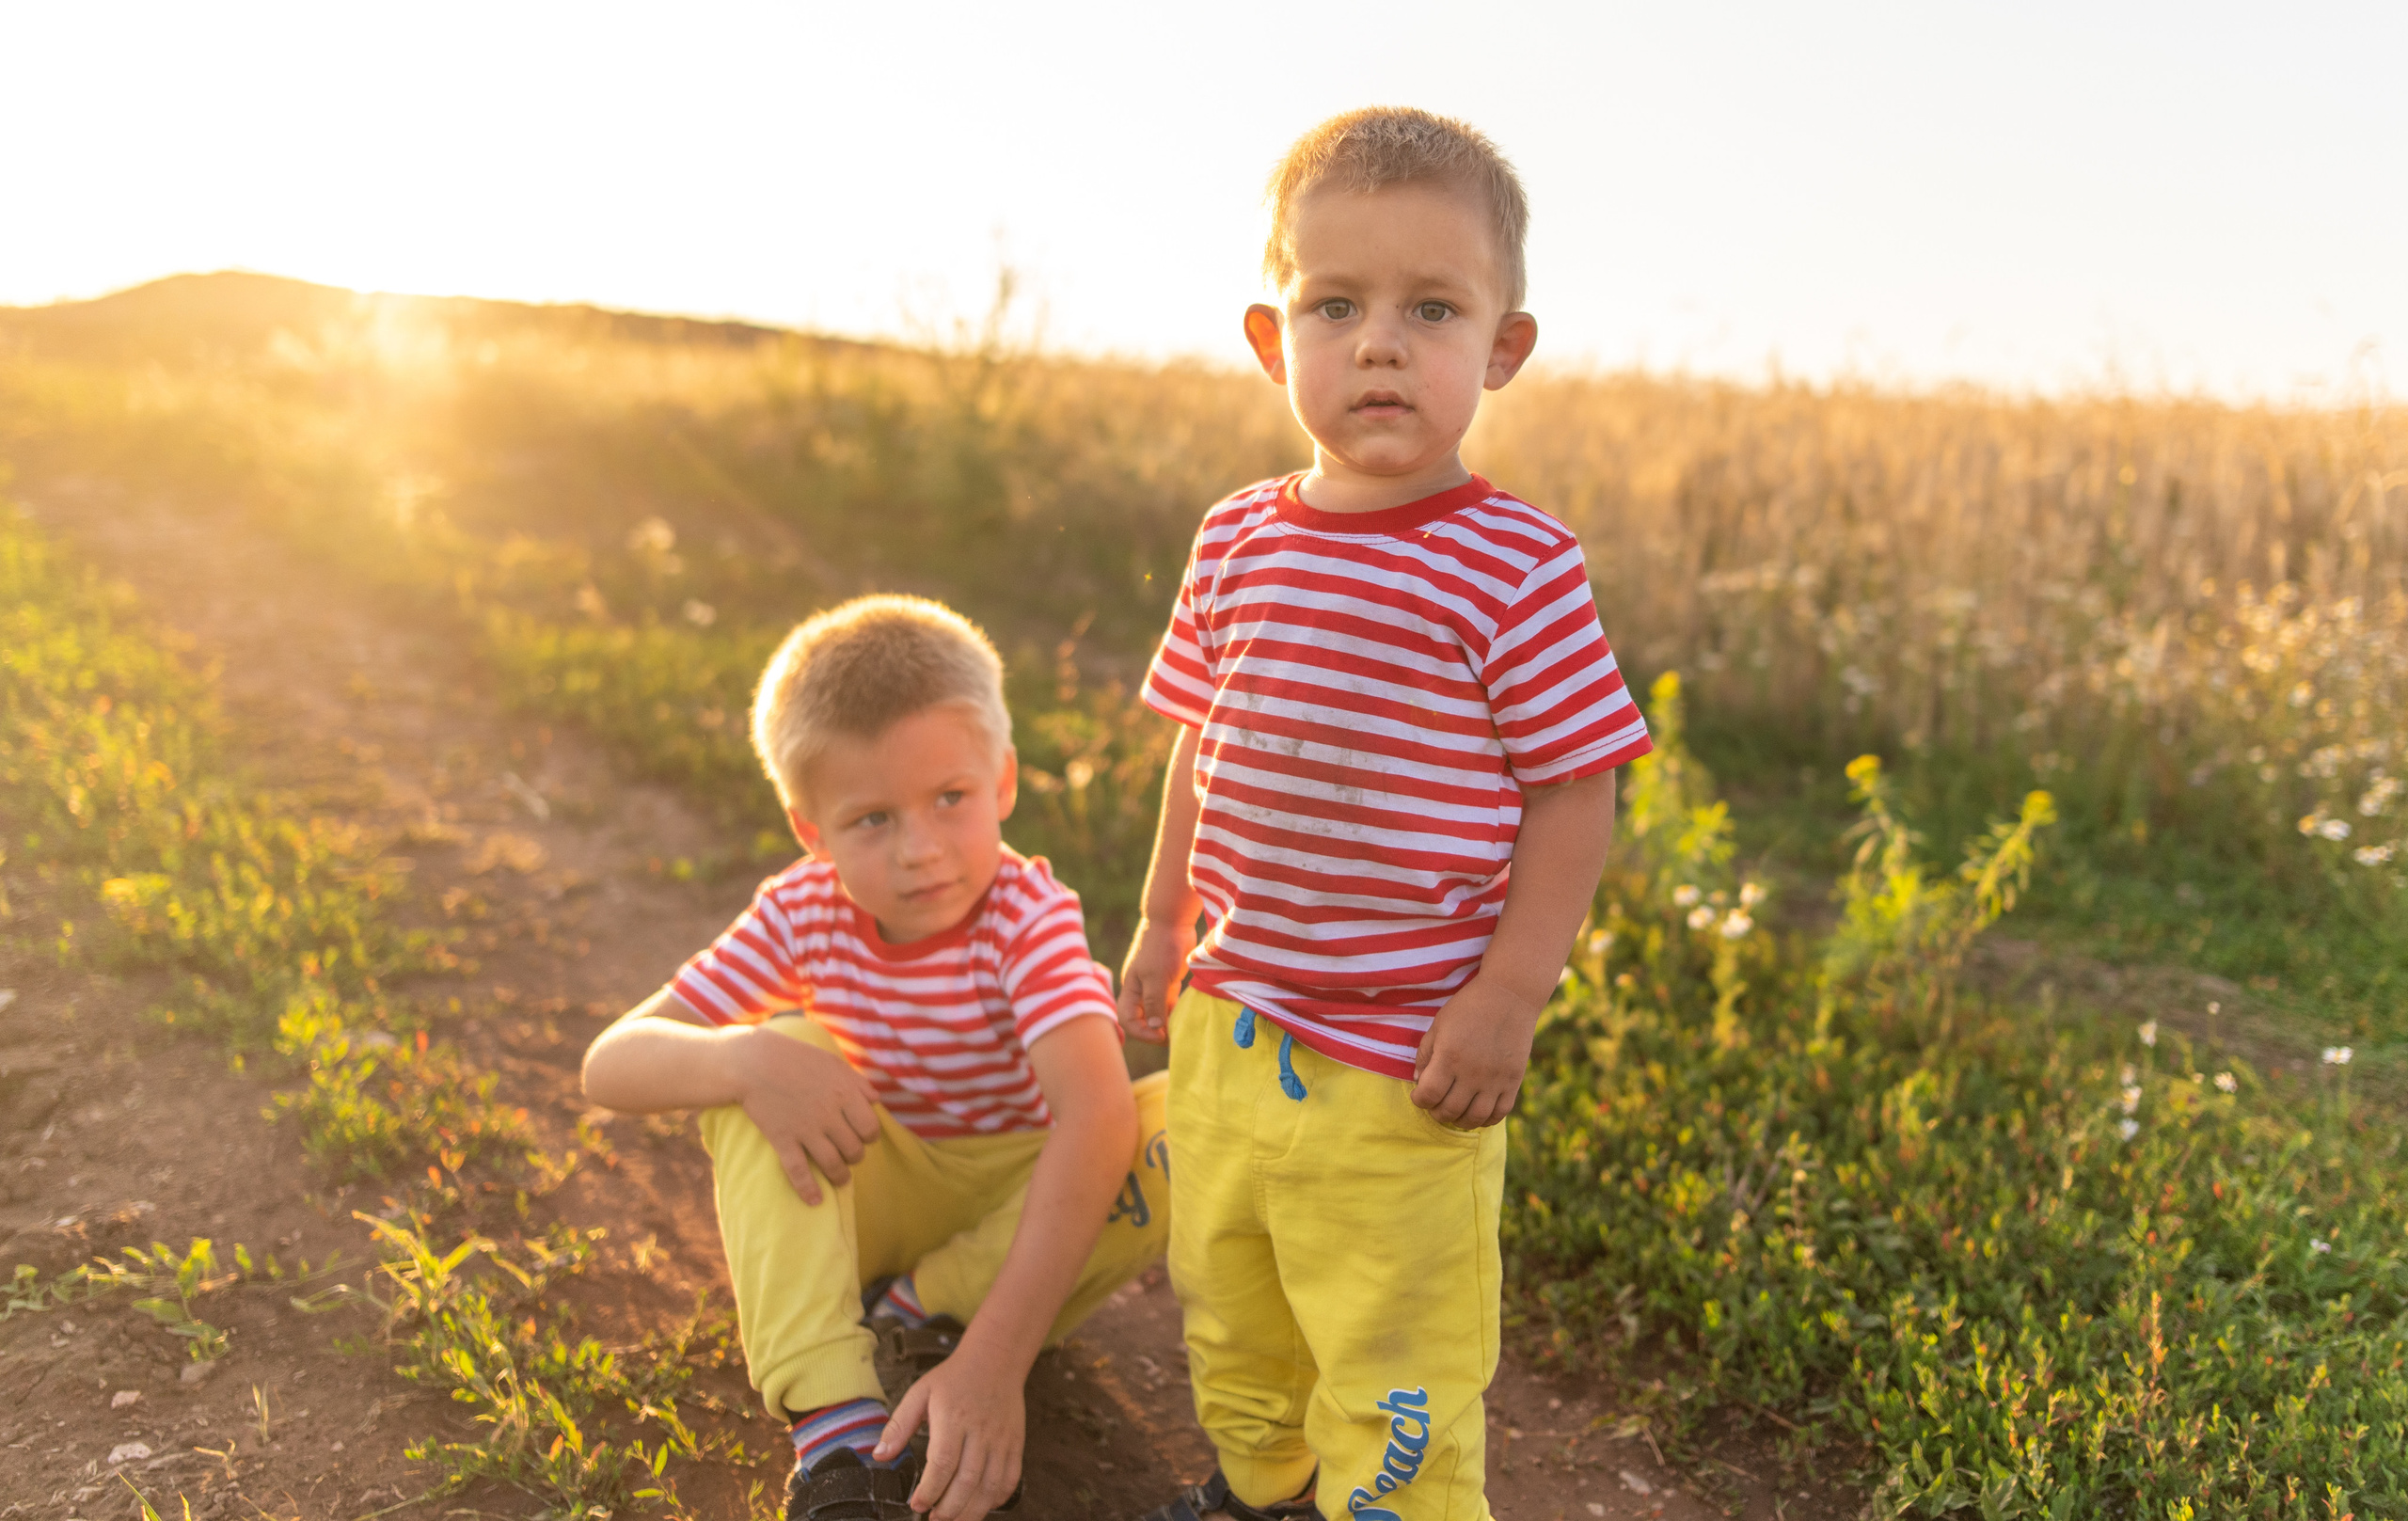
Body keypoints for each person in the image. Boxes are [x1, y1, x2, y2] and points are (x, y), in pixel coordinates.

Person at [1117, 107, 1654, 1521]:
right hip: (1232, 1022)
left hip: (1401, 1056)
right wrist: (1164, 918)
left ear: (1502, 347)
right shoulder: (1234, 538)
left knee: (1393, 1358)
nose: (1378, 346)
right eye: (1335, 305)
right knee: (1231, 1306)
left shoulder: (1515, 563)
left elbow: (1574, 789)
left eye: (1432, 310)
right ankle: (1260, 1487)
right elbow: (1202, 747)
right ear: (1270, 337)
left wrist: (1509, 995)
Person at [582, 594, 1167, 1521]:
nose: (920, 851)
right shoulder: (801, 912)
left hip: (1024, 1208)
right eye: (872, 820)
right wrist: (746, 1059)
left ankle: (930, 1319)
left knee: (1184, 1117)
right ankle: (840, 1441)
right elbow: (611, 1062)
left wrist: (996, 1365)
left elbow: (1095, 1118)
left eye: (950, 799)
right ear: (810, 830)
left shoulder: (1028, 920)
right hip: (878, 1189)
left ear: (1004, 781)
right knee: (765, 1058)